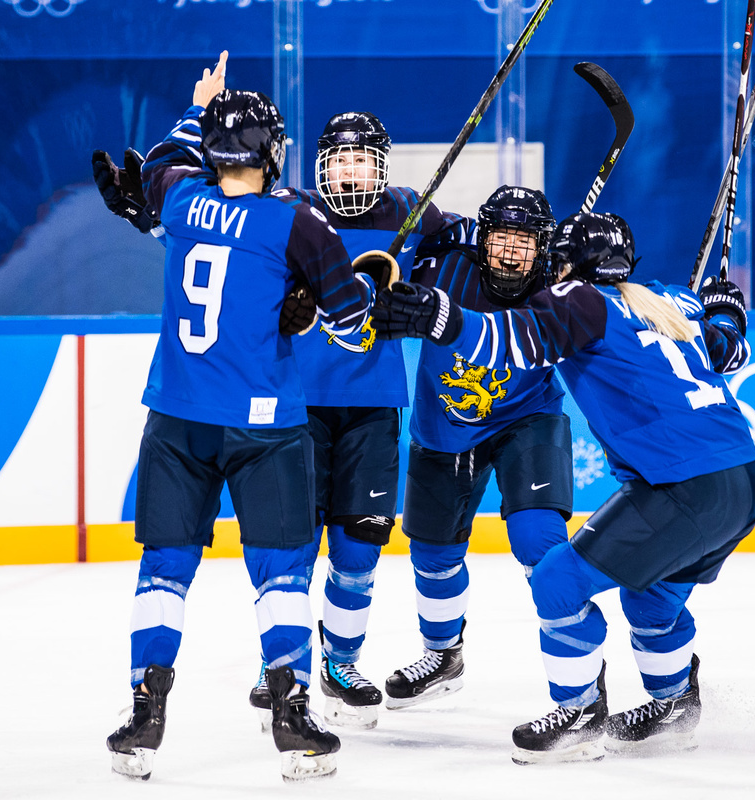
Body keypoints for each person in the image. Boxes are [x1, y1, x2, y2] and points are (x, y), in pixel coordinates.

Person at [95, 111, 463, 732]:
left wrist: (426, 292)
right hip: (295, 405)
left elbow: (469, 247)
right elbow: (223, 250)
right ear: (315, 163)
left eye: (360, 159)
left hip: (372, 402)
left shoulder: (411, 210)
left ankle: (338, 664)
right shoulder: (294, 211)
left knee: (359, 545)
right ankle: (283, 671)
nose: (349, 170)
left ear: (380, 165)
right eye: (339, 158)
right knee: (290, 545)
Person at [372, 211, 755, 764]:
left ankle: (580, 713)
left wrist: (440, 317)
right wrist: (728, 312)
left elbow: (505, 341)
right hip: (745, 481)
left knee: (559, 579)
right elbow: (730, 351)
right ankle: (675, 706)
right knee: (651, 597)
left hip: (682, 486)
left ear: (568, 264)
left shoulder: (581, 301)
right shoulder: (674, 299)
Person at [102, 52, 387, 782]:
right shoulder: (299, 226)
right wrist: (335, 297)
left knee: (164, 569)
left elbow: (164, 158)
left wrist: (200, 107)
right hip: (264, 425)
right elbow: (353, 325)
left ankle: (144, 716)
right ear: (271, 154)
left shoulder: (176, 202)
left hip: (176, 418)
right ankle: (290, 714)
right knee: (280, 573)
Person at [378, 185, 574, 709]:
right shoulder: (443, 262)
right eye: (501, 238)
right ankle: (443, 654)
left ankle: (580, 688)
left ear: (544, 248)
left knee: (541, 542)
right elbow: (389, 233)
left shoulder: (562, 282)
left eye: (524, 242)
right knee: (432, 555)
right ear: (482, 238)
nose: (510, 253)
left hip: (527, 417)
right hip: (444, 426)